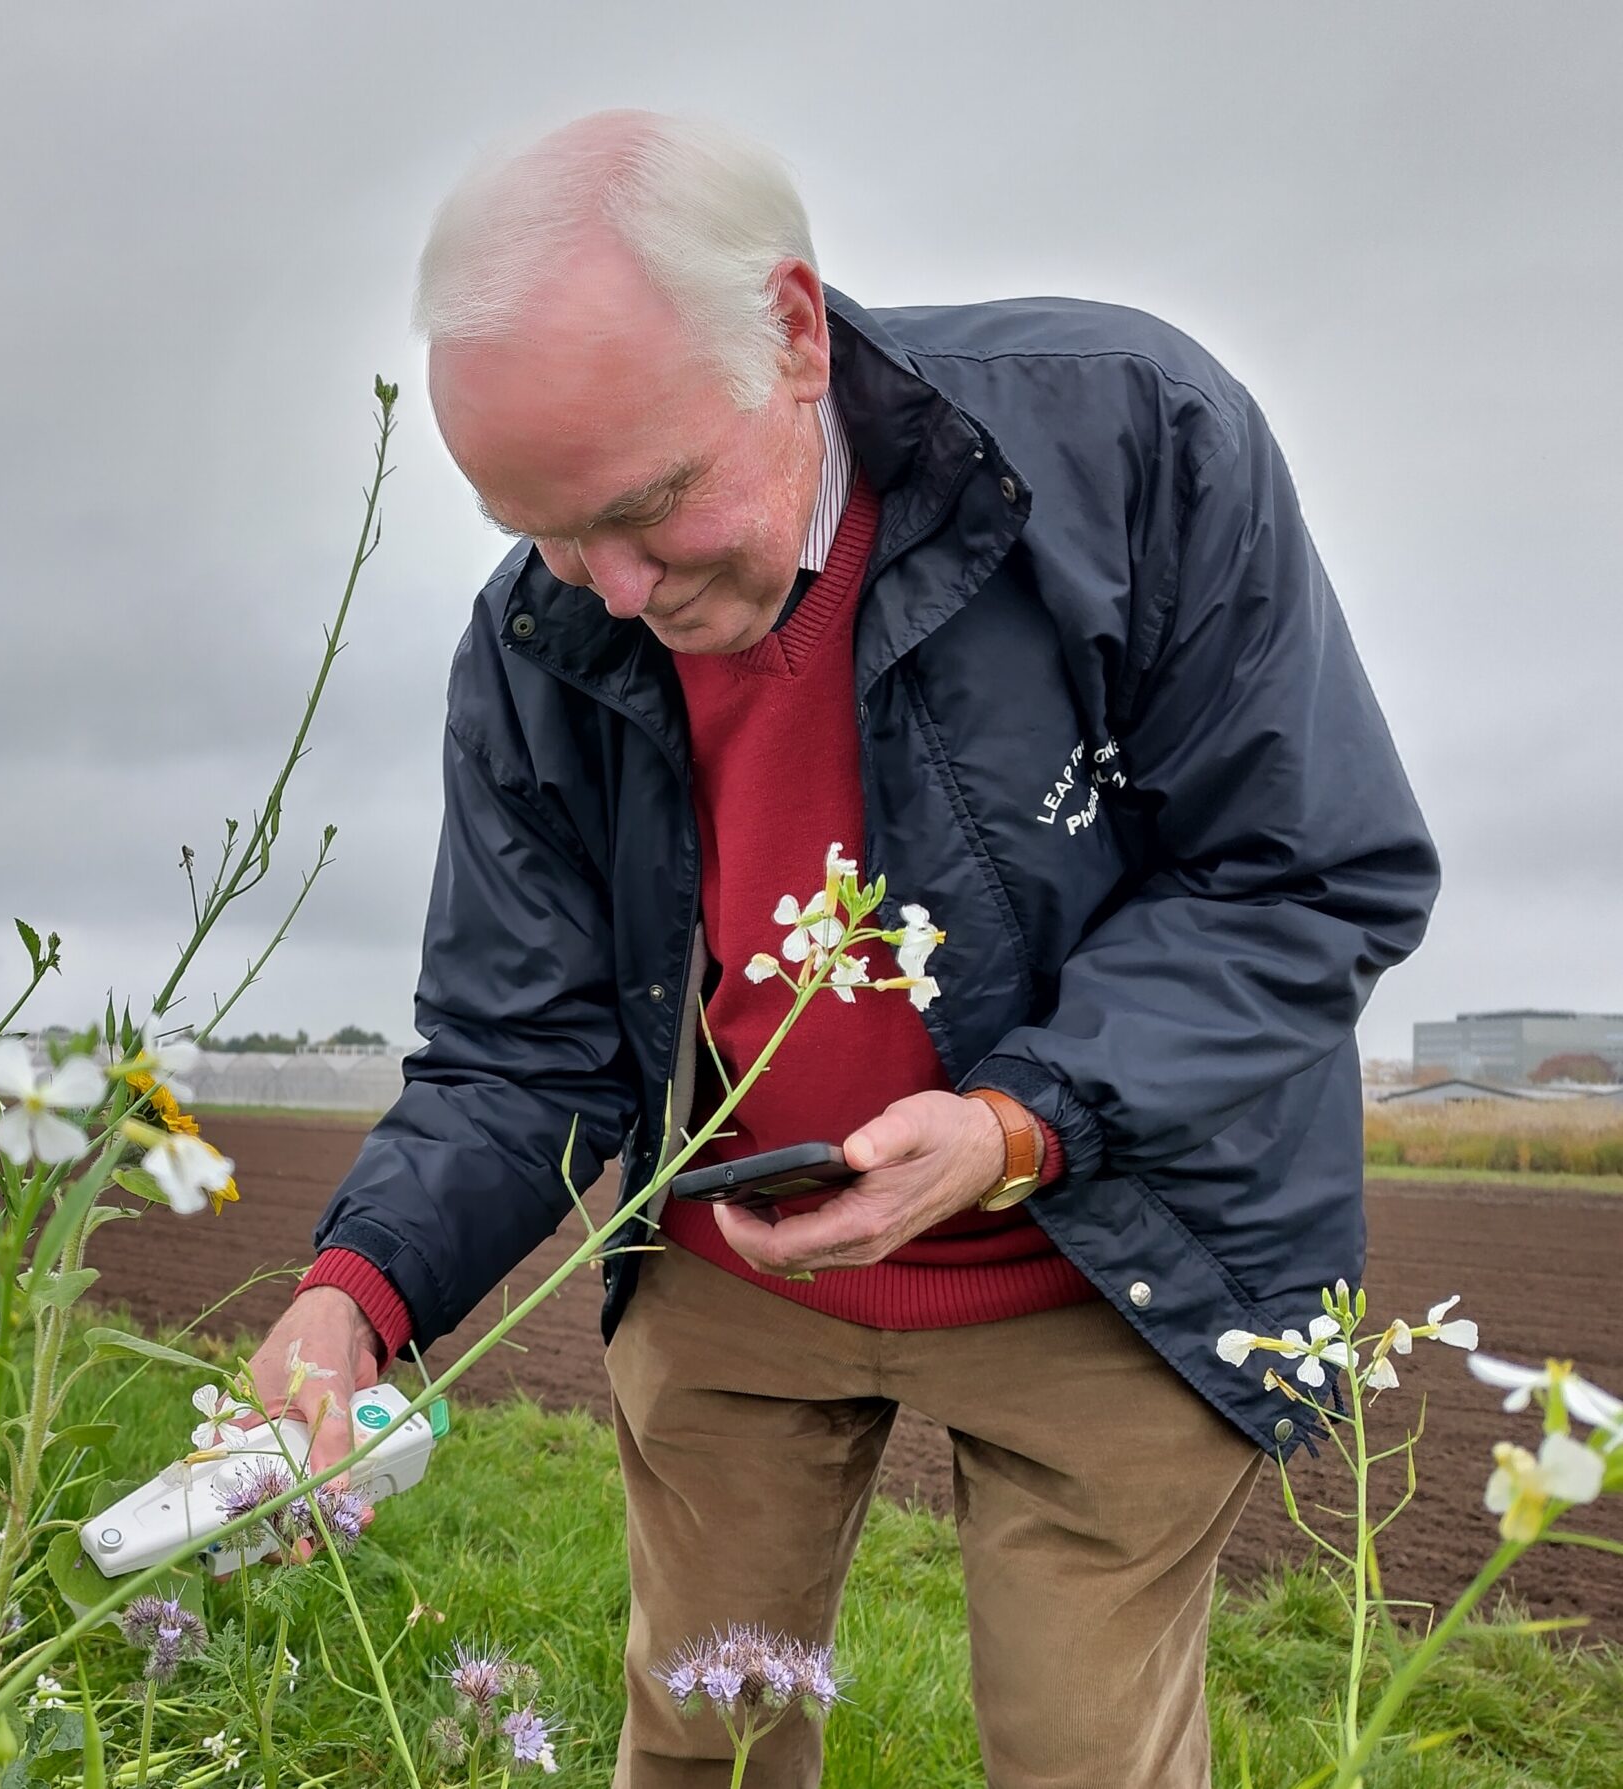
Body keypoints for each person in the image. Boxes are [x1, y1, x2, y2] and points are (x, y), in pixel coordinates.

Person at [241, 110, 1439, 1788]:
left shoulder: (1132, 439)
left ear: (792, 332)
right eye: (544, 527)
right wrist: (352, 1298)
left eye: (651, 505)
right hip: (742, 1271)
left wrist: (1019, 1127)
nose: (615, 582)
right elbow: (520, 1048)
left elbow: (1309, 874)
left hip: (1112, 1255)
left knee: (1086, 1758)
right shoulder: (540, 634)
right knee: (703, 1742)